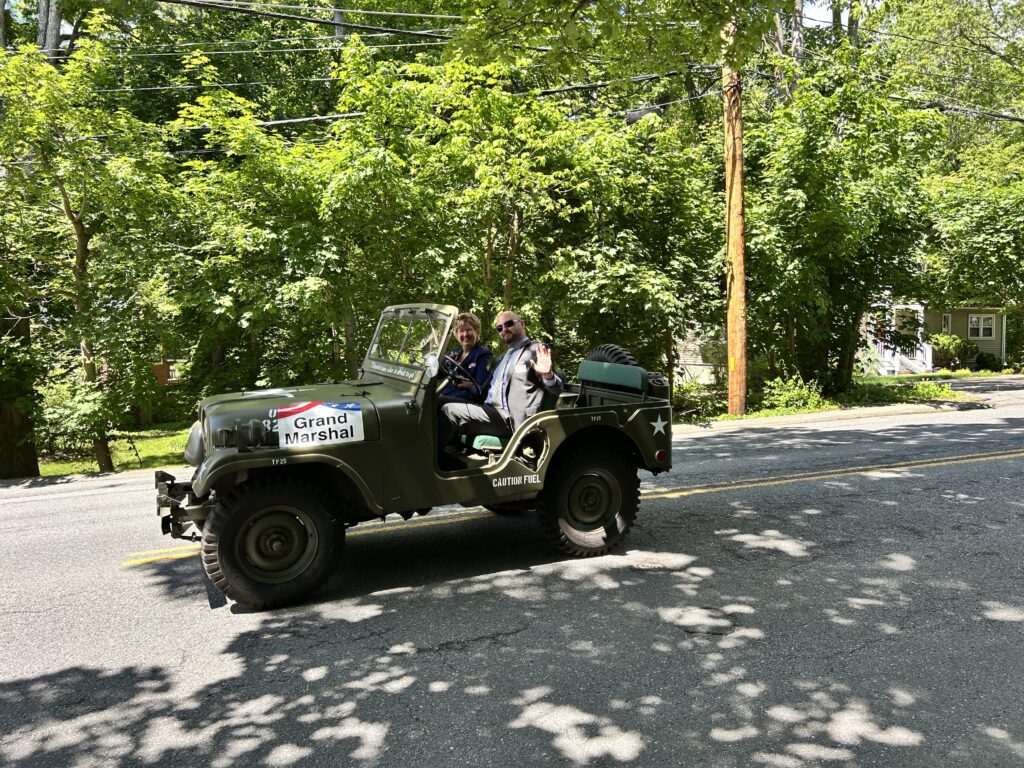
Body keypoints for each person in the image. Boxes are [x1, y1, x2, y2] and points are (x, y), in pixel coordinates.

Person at [438, 310, 562, 451]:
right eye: (499, 328)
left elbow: (556, 388)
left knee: (449, 410)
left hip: (512, 418)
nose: (504, 329)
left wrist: (548, 374)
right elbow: (482, 390)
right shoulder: (503, 357)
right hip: (489, 409)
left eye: (508, 324)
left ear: (522, 324)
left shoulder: (536, 350)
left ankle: (431, 461)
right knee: (435, 401)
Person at [438, 312, 492, 403]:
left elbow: (481, 390)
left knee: (434, 401)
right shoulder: (454, 353)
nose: (465, 334)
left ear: (477, 332)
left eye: (469, 330)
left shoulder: (484, 355)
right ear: (456, 334)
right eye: (461, 331)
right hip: (445, 396)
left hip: (466, 401)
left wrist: (469, 385)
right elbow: (438, 373)